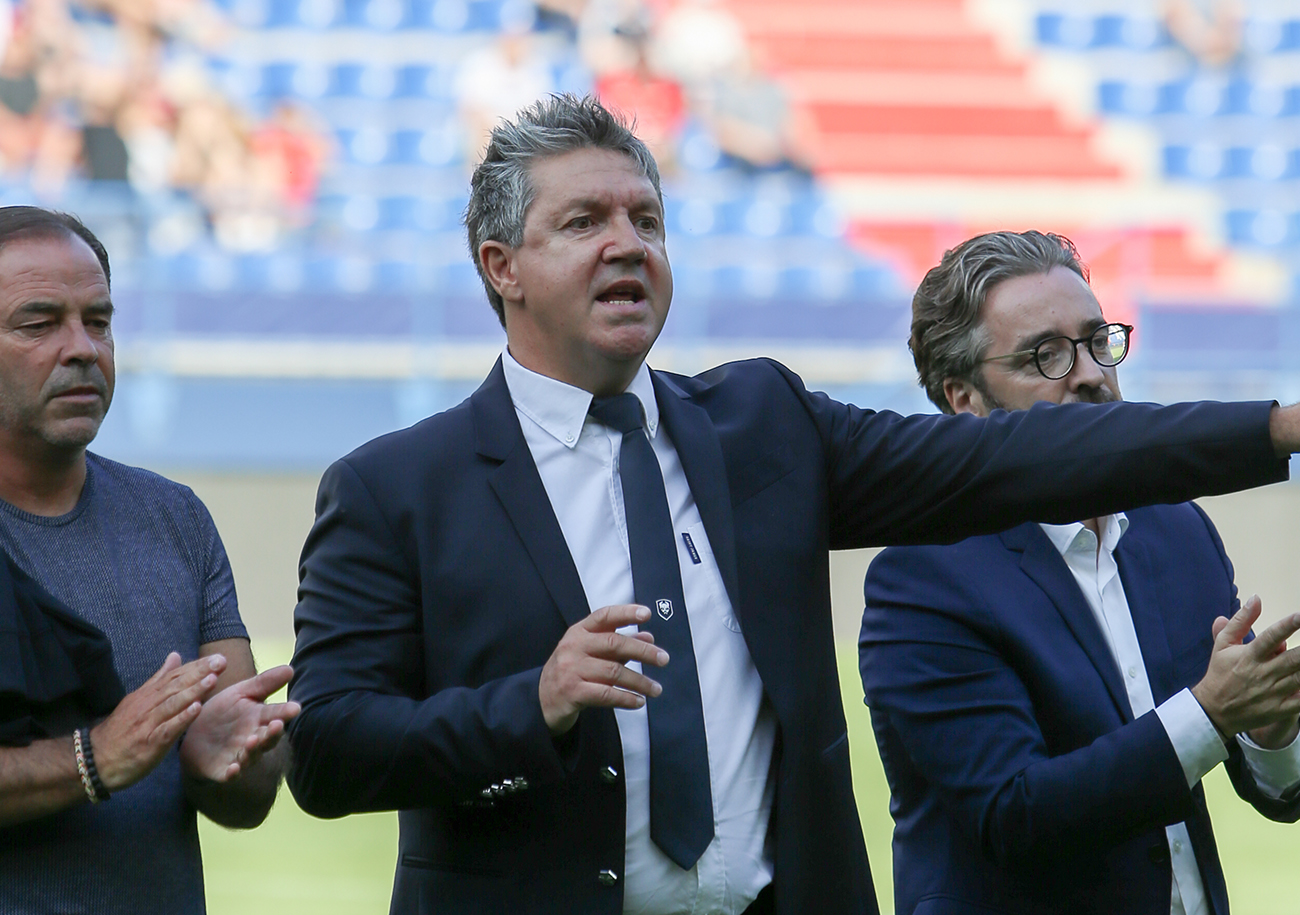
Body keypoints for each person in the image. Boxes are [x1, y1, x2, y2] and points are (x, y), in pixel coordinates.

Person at [286, 96, 1300, 915]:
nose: (627, 244)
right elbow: (327, 753)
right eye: (584, 223)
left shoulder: (760, 425)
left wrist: (1275, 428)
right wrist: (532, 702)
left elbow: (1018, 459)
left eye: (646, 220)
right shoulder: (394, 488)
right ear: (501, 267)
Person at [859, 230, 1300, 915]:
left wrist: (1271, 730)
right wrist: (1210, 712)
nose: (1092, 372)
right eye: (1047, 355)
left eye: (1099, 341)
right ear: (964, 400)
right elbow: (1015, 815)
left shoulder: (1175, 528)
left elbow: (1270, 786)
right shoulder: (921, 575)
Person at [0, 206, 300, 914]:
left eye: (98, 321)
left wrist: (231, 759)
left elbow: (246, 798)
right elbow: (109, 755)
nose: (82, 348)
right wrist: (95, 758)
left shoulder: (174, 517)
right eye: (38, 323)